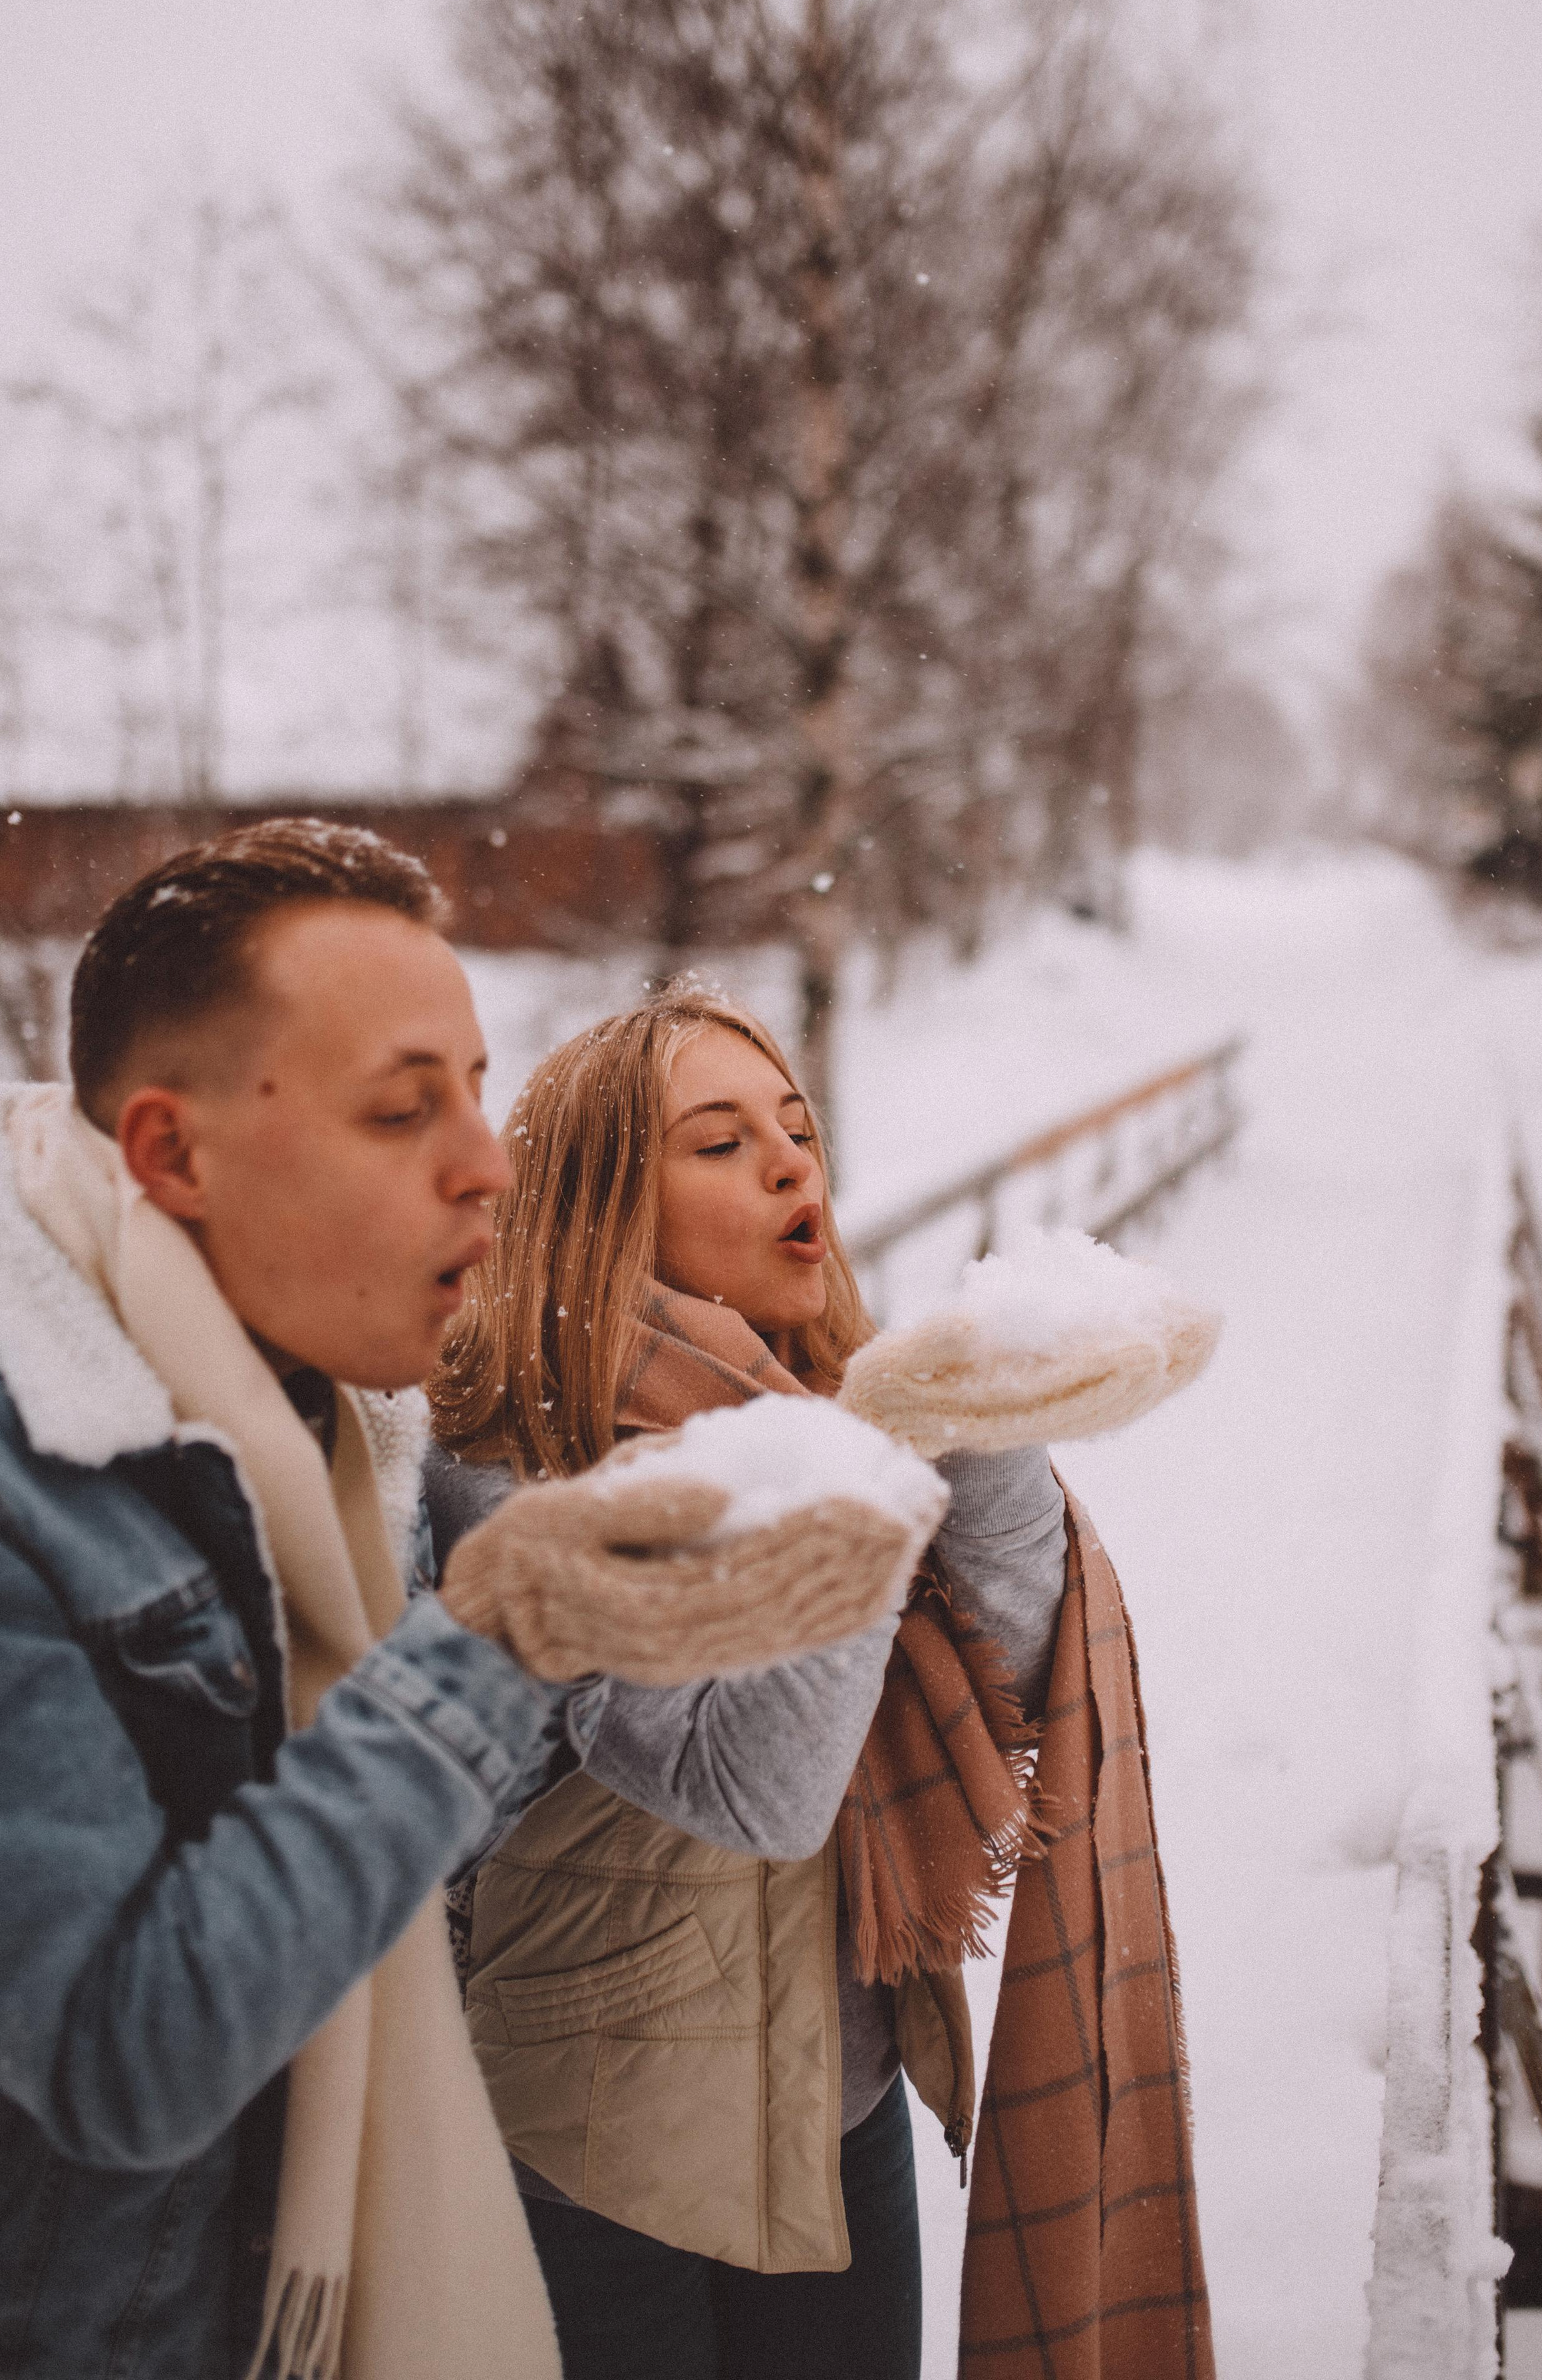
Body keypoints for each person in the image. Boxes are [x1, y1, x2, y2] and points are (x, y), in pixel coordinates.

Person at [0, 824, 925, 2380]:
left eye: (474, 1090)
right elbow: (131, 2052)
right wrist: (491, 1645)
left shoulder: (312, 1422)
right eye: (405, 1109)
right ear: (173, 1155)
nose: (486, 1162)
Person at [426, 986, 1214, 2380]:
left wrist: (983, 1425)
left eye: (797, 1129)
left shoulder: (821, 1395)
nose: (792, 1165)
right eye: (721, 1143)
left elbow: (1031, 1670)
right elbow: (750, 1789)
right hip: (593, 2144)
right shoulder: (517, 1442)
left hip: (839, 2096)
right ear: (600, 1200)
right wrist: (874, 1467)